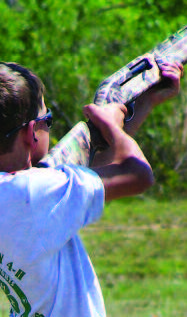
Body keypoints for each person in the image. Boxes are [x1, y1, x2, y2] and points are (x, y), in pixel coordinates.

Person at [0, 60, 182, 317]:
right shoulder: (34, 191)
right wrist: (106, 122)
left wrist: (144, 102)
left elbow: (93, 170)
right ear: (32, 132)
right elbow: (137, 175)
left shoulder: (19, 192)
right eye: (47, 119)